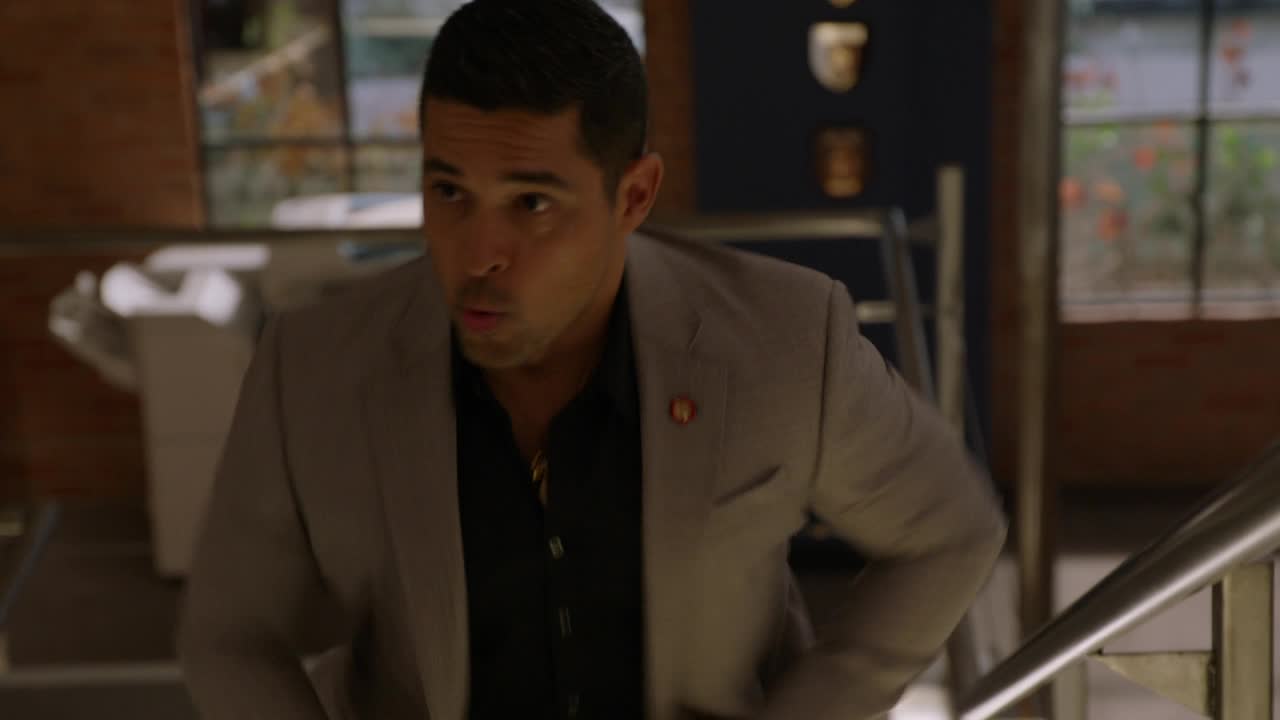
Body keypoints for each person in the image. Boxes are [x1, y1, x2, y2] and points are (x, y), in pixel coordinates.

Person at [177, 1, 1007, 718]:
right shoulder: (312, 365)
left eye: (531, 202)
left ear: (633, 196)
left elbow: (949, 531)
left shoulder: (783, 338)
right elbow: (229, 634)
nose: (478, 252)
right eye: (449, 191)